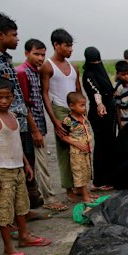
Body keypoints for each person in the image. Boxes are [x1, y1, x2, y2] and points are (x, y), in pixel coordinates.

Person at [0, 78, 51, 255]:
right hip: (2, 171)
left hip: (18, 168)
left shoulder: (13, 116)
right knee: (5, 211)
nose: (4, 101)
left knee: (21, 206)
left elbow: (16, 143)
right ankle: (8, 249)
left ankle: (24, 236)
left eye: (8, 97)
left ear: (13, 97)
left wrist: (26, 163)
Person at [0, 12, 43, 209]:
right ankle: (13, 219)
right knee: (10, 171)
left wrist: (31, 126)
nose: (17, 38)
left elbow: (19, 99)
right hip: (6, 128)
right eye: (13, 35)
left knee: (25, 167)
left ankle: (25, 211)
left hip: (19, 124)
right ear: (0, 35)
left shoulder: (5, 58)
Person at [16, 38, 68, 211]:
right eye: (36, 54)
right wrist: (35, 130)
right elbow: (24, 105)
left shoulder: (35, 71)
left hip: (38, 124)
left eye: (42, 55)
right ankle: (49, 199)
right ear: (26, 53)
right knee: (42, 163)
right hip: (32, 126)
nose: (40, 58)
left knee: (36, 163)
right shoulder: (23, 72)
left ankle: (38, 197)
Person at [40, 28, 81, 203]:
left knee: (79, 148)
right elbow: (45, 94)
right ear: (56, 45)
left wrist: (82, 112)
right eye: (67, 46)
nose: (71, 49)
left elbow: (78, 90)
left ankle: (80, 185)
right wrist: (54, 120)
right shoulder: (48, 66)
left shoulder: (73, 67)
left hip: (75, 110)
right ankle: (68, 188)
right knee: (64, 151)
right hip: (60, 109)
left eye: (72, 46)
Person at [82, 47, 116, 191]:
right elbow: (96, 91)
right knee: (102, 146)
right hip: (100, 114)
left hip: (109, 112)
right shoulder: (88, 74)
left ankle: (108, 177)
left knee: (110, 145)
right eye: (93, 61)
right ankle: (98, 181)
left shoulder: (101, 73)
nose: (97, 63)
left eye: (98, 60)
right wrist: (100, 104)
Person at [60, 92, 94, 202]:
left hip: (86, 150)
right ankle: (85, 196)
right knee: (79, 172)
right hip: (77, 152)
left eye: (85, 105)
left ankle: (85, 193)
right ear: (72, 106)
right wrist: (77, 144)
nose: (84, 108)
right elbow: (62, 136)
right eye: (81, 105)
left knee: (87, 171)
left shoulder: (84, 117)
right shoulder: (68, 120)